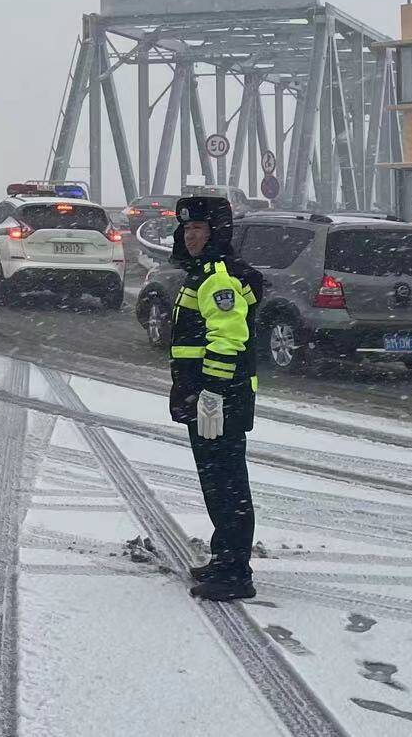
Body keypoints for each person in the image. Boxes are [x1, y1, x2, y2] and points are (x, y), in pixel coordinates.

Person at [166, 194, 264, 601]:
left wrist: (211, 394)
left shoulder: (217, 276)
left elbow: (228, 339)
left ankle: (235, 572)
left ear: (216, 232)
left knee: (226, 485)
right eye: (186, 229)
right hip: (210, 397)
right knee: (218, 483)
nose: (190, 236)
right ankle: (225, 558)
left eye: (198, 229)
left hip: (217, 399)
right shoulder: (205, 271)